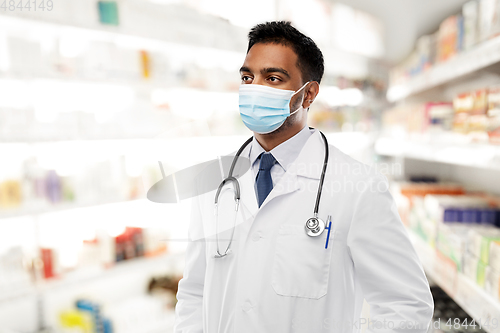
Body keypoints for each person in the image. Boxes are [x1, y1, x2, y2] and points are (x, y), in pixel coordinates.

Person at [174, 21, 434, 333]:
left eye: (273, 78)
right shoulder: (214, 182)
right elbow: (194, 293)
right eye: (247, 77)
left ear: (308, 94)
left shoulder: (358, 187)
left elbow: (405, 305)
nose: (254, 89)